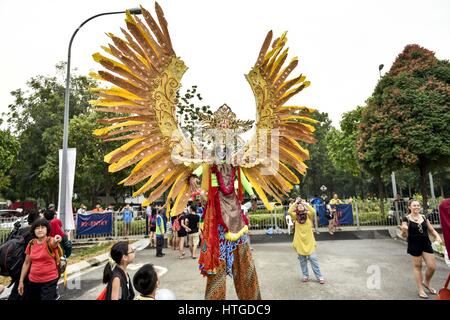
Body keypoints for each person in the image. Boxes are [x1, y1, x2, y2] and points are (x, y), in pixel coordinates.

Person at [400, 200, 443, 299]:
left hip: (426, 243)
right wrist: (404, 230)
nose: (416, 207)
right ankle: (421, 289)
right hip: (414, 244)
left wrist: (437, 236)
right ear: (409, 207)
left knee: (432, 267)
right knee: (417, 267)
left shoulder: (424, 217)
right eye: (414, 205)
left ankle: (426, 282)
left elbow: (431, 229)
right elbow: (404, 235)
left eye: (418, 205)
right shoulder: (406, 219)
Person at [18, 218, 63, 300]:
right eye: (37, 228)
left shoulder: (50, 240)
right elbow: (26, 263)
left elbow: (54, 243)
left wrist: (57, 239)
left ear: (47, 229)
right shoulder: (31, 243)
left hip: (49, 281)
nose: (40, 230)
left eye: (42, 227)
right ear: (34, 230)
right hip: (33, 281)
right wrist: (21, 281)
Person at [288, 197, 325, 284]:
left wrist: (305, 204)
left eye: (302, 205)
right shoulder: (295, 216)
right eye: (299, 205)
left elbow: (313, 211)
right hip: (300, 242)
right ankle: (305, 275)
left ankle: (319, 276)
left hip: (309, 242)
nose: (300, 206)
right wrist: (295, 202)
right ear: (297, 207)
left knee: (313, 259)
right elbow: (289, 211)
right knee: (302, 261)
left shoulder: (308, 215)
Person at [7, 208, 40, 300]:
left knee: (18, 288)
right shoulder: (34, 233)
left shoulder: (21, 230)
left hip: (16, 263)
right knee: (25, 290)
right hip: (27, 265)